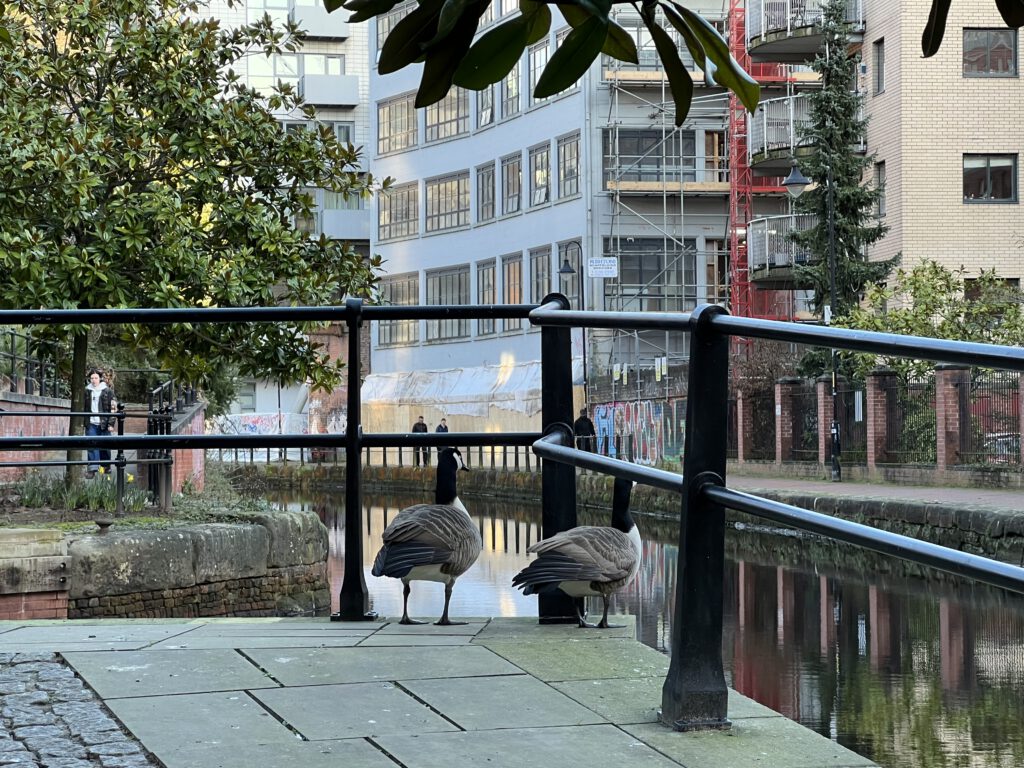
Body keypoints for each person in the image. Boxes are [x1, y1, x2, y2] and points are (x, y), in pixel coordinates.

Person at [84, 368, 116, 478]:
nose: (93, 380)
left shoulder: (107, 391)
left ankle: (106, 466)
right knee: (91, 444)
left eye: (96, 378)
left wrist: (111, 424)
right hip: (91, 423)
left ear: (100, 378)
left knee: (105, 445)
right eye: (92, 378)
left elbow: (113, 407)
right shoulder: (87, 391)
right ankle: (92, 469)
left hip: (104, 423)